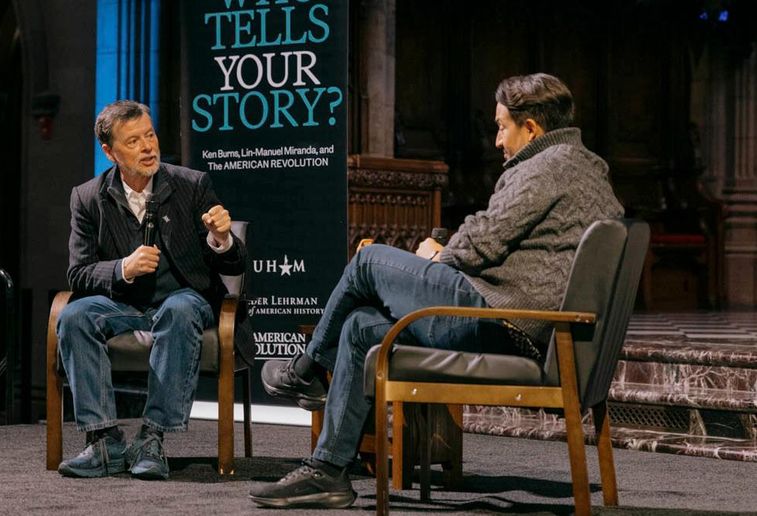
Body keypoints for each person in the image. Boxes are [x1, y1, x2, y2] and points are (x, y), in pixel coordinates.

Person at [249, 73, 624, 508]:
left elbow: (484, 239)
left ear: (532, 128)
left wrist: (437, 254)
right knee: (359, 326)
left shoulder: (547, 166)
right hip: (527, 329)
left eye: (502, 126)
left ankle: (308, 368)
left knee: (368, 262)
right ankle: (329, 471)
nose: (497, 140)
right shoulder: (588, 168)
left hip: (499, 323)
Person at [56, 100, 247, 480]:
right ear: (109, 152)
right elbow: (77, 273)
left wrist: (221, 238)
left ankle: (151, 438)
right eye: (134, 141)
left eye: (150, 135)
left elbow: (234, 266)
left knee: (179, 310)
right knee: (74, 314)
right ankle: (104, 441)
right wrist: (123, 268)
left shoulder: (192, 185)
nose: (148, 147)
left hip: (184, 297)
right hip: (124, 304)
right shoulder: (88, 197)